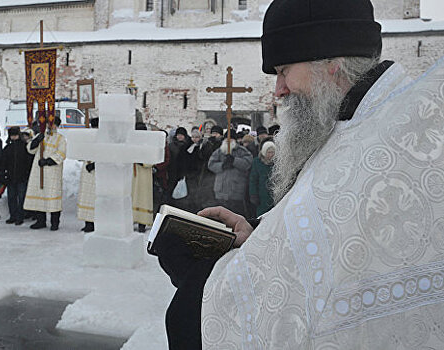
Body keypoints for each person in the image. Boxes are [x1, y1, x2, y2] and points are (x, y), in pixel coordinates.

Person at [157, 0, 444, 348]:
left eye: (283, 70)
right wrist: (261, 236)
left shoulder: (372, 149)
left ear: (330, 65)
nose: (278, 90)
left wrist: (199, 284)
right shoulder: (357, 126)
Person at [24, 117, 66, 231]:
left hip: (52, 172)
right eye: (48, 124)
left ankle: (55, 222)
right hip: (39, 171)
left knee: (52, 197)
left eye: (52, 124)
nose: (50, 126)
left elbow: (61, 154)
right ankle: (40, 220)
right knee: (40, 195)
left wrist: (47, 161)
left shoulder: (60, 139)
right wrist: (36, 141)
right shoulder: (41, 136)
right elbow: (30, 149)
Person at [207, 130, 253, 216]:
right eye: (226, 139)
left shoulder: (242, 151)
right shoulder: (219, 151)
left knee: (235, 215)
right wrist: (222, 165)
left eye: (231, 138)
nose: (228, 140)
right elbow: (211, 164)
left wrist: (234, 161)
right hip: (221, 191)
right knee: (220, 216)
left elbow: (247, 163)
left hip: (236, 191)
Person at [0, 126, 33, 226]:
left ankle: (20, 216)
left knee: (21, 197)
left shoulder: (24, 147)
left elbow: (28, 162)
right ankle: (13, 216)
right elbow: (3, 162)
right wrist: (3, 173)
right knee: (11, 197)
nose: (13, 137)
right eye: (12, 135)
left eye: (15, 135)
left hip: (21, 176)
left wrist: (27, 174)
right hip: (10, 176)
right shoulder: (8, 148)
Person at [76, 118, 98, 232]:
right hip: (87, 170)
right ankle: (88, 222)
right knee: (86, 198)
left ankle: (96, 223)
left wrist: (95, 164)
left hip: (98, 172)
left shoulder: (103, 138)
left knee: (95, 198)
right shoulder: (88, 137)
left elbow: (105, 153)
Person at [132, 122, 154, 232]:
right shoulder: (132, 143)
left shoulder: (149, 143)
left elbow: (153, 158)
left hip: (144, 175)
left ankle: (142, 223)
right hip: (133, 174)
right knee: (133, 197)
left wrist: (142, 161)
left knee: (143, 198)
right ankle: (132, 220)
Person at [248, 140, 275, 217]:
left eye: (272, 152)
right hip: (261, 195)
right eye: (269, 152)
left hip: (274, 194)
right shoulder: (257, 162)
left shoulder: (277, 163)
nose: (271, 155)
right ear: (264, 152)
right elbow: (253, 180)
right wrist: (253, 194)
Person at [168, 127, 192, 207]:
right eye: (178, 135)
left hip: (185, 173)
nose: (180, 137)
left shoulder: (189, 145)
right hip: (173, 171)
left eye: (182, 135)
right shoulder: (171, 145)